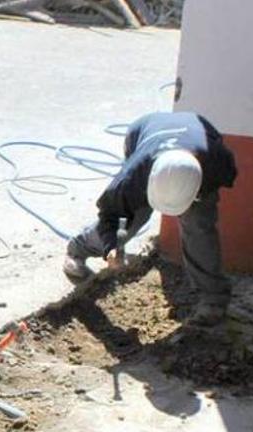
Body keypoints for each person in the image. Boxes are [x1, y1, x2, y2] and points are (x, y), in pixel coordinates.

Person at [63, 111, 238, 327]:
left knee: (199, 225)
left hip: (198, 138)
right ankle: (78, 248)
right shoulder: (133, 175)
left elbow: (229, 176)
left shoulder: (217, 162)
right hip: (144, 131)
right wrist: (112, 245)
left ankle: (213, 301)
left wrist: (201, 197)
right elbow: (111, 213)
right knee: (133, 219)